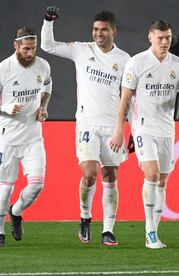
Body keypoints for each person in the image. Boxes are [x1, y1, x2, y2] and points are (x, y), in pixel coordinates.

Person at [41, 7, 130, 246]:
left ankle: (108, 230)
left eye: (103, 30)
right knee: (90, 173)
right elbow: (48, 46)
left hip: (112, 126)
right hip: (87, 124)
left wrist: (129, 130)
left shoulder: (125, 60)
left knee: (111, 176)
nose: (98, 34)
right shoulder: (81, 50)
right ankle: (85, 217)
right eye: (95, 29)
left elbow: (129, 97)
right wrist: (48, 21)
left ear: (114, 31)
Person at [110, 19, 179, 249]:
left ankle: (155, 231)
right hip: (143, 126)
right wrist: (120, 129)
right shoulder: (137, 63)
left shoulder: (178, 64)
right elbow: (125, 99)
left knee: (163, 180)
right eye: (161, 38)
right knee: (153, 173)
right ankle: (149, 232)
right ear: (150, 37)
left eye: (168, 37)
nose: (165, 42)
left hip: (167, 128)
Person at [0, 26, 52, 247]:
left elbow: (47, 85)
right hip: (7, 140)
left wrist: (43, 107)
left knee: (37, 185)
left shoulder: (43, 65)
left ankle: (16, 211)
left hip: (33, 138)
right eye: (26, 49)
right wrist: (4, 107)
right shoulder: (2, 70)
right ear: (16, 45)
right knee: (5, 188)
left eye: (34, 48)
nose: (30, 53)